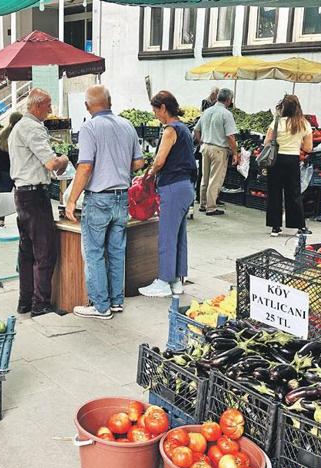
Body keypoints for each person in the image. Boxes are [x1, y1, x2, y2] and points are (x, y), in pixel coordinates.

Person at [64, 85, 144, 320]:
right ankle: (116, 302)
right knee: (117, 251)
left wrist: (71, 200)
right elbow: (138, 163)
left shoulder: (89, 127)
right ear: (110, 102)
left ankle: (100, 306)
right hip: (122, 197)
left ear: (87, 106)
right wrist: (118, 167)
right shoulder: (127, 124)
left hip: (99, 199)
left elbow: (85, 166)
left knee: (94, 253)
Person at [8, 89, 69, 317]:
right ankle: (40, 304)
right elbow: (52, 163)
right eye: (49, 105)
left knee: (27, 250)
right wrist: (64, 159)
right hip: (34, 195)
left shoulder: (19, 126)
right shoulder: (33, 127)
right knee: (45, 251)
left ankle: (25, 301)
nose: (51, 110)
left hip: (22, 193)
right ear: (37, 106)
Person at [138, 91, 196, 298]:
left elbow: (160, 161)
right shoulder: (185, 129)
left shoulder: (170, 130)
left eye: (155, 110)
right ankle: (176, 282)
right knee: (179, 235)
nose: (155, 115)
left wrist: (149, 174)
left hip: (173, 186)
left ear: (163, 108)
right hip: (185, 187)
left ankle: (163, 281)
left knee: (167, 236)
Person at [263, 95, 313, 237]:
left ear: (283, 107)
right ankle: (299, 227)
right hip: (292, 160)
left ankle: (275, 227)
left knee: (274, 192)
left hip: (276, 160)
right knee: (294, 193)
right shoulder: (304, 124)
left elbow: (267, 142)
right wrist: (298, 142)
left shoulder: (276, 122)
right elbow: (308, 148)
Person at [196, 88, 238, 216]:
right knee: (215, 179)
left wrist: (201, 143)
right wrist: (235, 152)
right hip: (219, 150)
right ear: (229, 100)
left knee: (205, 177)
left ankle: (203, 204)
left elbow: (196, 130)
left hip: (205, 147)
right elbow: (230, 136)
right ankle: (211, 207)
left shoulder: (207, 111)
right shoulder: (226, 114)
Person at [0, 112, 23, 227]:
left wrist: (1, 153)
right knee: (21, 196)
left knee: (3, 196)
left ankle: (0, 221)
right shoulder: (20, 134)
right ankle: (23, 218)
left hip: (4, 169)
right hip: (19, 169)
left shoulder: (1, 134)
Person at [192, 87, 220, 206]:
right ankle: (203, 198)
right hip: (207, 143)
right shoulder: (207, 105)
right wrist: (201, 142)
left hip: (205, 143)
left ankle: (205, 200)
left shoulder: (214, 108)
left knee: (206, 174)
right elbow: (198, 128)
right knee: (206, 174)